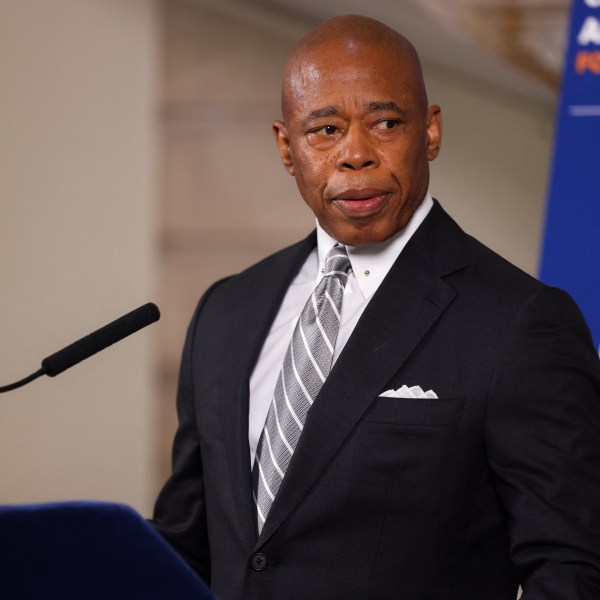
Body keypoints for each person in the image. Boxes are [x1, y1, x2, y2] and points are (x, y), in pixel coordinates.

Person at [151, 14, 600, 599]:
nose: (356, 154)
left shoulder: (522, 323)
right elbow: (184, 546)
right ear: (287, 147)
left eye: (386, 122)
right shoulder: (226, 311)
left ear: (431, 132)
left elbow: (574, 571)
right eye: (325, 130)